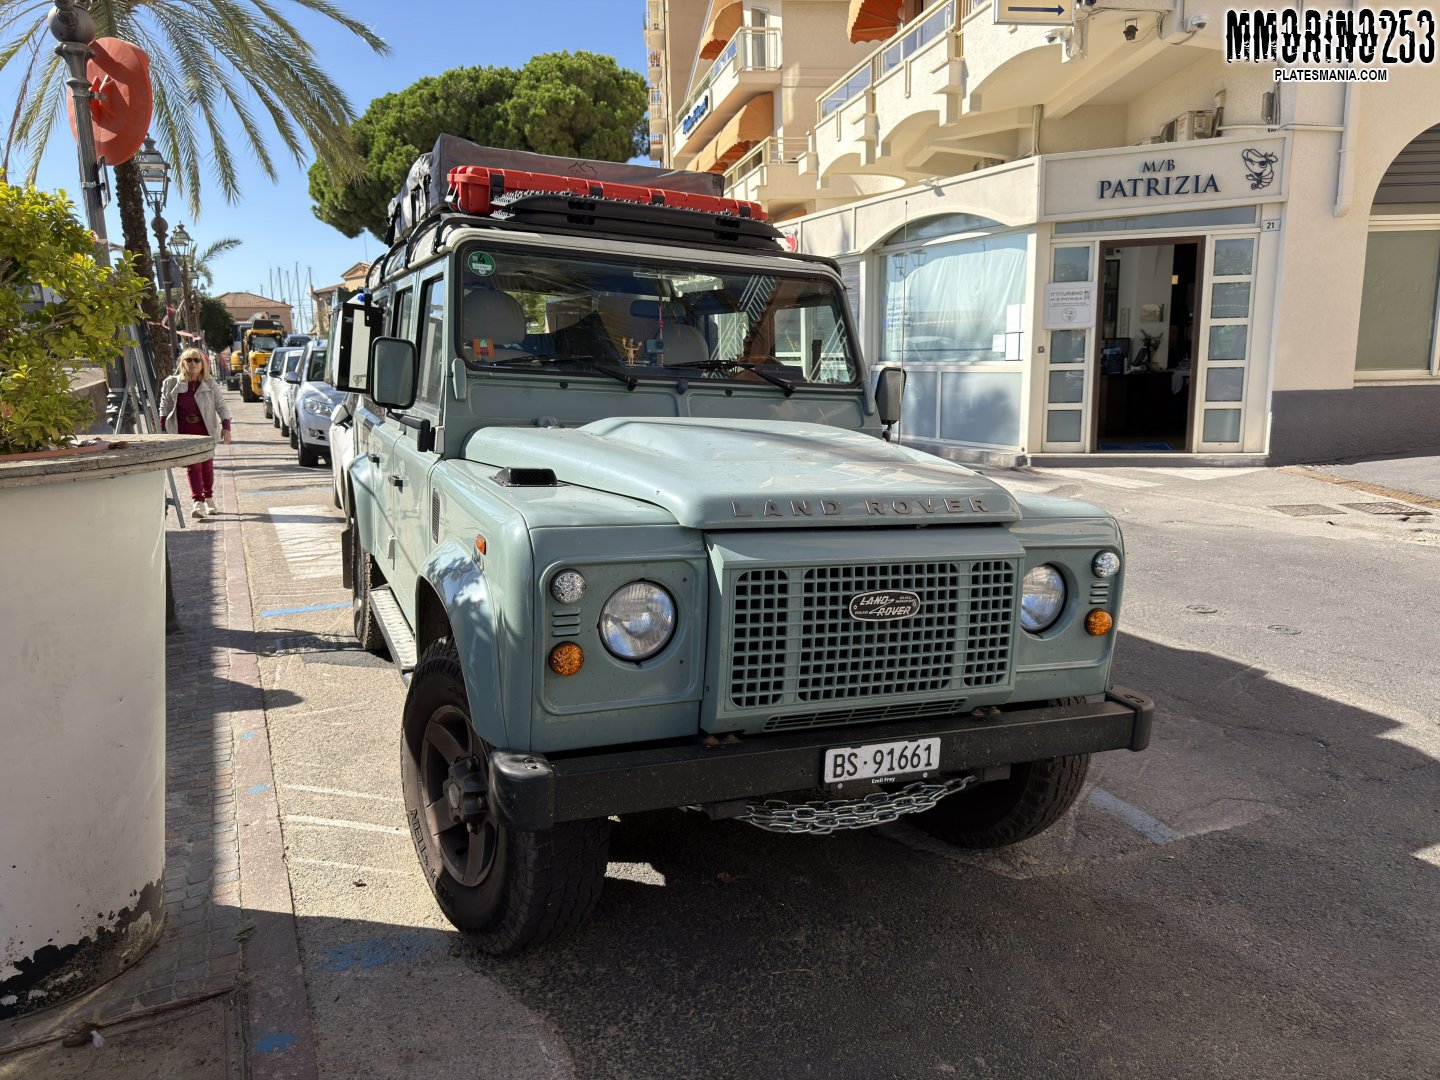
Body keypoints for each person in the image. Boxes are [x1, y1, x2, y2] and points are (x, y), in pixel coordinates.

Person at [159, 347, 232, 518]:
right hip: (184, 431)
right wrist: (163, 428)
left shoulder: (209, 383)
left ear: (203, 364)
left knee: (206, 465)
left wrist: (226, 426)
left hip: (205, 430)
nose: (193, 363)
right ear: (183, 363)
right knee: (193, 465)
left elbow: (221, 405)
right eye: (189, 360)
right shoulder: (171, 383)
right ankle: (198, 501)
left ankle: (209, 498)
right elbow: (165, 406)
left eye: (196, 360)